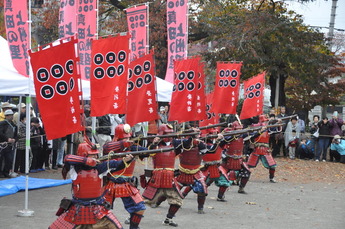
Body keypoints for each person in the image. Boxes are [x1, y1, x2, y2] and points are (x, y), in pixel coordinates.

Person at [49, 141, 133, 229]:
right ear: (84, 155)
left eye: (96, 155)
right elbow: (67, 158)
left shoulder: (100, 167)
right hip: (77, 209)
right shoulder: (75, 168)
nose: (95, 157)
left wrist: (125, 161)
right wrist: (86, 161)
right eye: (92, 155)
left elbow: (115, 164)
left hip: (97, 208)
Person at [103, 124, 147, 229]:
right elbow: (106, 148)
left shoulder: (132, 147)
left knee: (139, 208)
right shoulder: (111, 146)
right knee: (101, 211)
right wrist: (122, 144)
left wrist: (154, 144)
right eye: (125, 138)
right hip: (111, 182)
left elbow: (145, 151)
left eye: (128, 137)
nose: (128, 139)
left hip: (127, 183)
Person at [142, 124, 183, 227]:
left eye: (170, 133)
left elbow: (187, 143)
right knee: (145, 200)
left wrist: (193, 136)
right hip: (157, 177)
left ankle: (168, 219)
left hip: (170, 177)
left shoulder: (175, 144)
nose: (169, 136)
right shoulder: (155, 145)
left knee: (177, 201)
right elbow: (146, 154)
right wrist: (154, 143)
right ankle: (131, 217)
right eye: (166, 133)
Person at [219, 121, 250, 195]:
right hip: (229, 158)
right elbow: (221, 144)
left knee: (247, 172)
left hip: (239, 158)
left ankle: (241, 188)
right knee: (221, 174)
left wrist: (261, 130)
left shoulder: (242, 136)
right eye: (237, 129)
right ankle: (217, 192)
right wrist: (232, 136)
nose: (239, 131)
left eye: (240, 129)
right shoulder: (228, 136)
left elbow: (252, 134)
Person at [247, 115, 277, 183]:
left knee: (272, 165)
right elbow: (252, 135)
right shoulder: (255, 128)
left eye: (266, 121)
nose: (265, 123)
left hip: (265, 149)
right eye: (264, 121)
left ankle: (271, 177)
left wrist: (277, 123)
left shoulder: (268, 128)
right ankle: (246, 177)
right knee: (249, 165)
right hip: (257, 148)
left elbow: (275, 130)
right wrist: (260, 130)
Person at [0, 109, 17, 178]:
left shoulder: (14, 125)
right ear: (6, 116)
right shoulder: (2, 124)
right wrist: (7, 139)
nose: (11, 116)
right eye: (9, 115)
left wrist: (15, 139)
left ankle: (6, 172)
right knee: (1, 159)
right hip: (2, 144)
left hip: (10, 145)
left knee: (9, 159)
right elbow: (0, 133)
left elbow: (16, 134)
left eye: (12, 115)